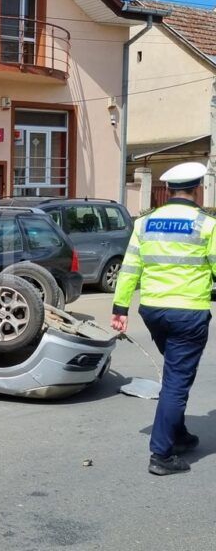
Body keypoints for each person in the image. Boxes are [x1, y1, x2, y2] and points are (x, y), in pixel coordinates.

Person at [111, 162, 215, 476]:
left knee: (174, 371)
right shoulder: (206, 225)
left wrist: (119, 309)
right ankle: (162, 454)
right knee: (176, 381)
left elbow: (129, 268)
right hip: (188, 312)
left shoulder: (145, 223)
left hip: (153, 311)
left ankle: (178, 434)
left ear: (167, 190)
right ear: (197, 189)